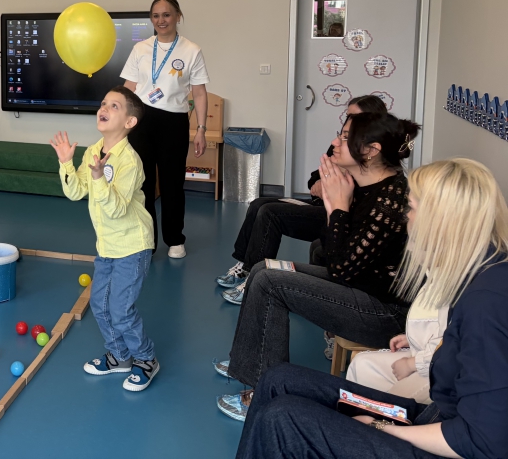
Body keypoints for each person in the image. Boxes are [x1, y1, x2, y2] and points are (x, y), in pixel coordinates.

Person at [235, 158, 508, 459]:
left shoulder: (486, 304)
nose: (406, 218)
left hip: (440, 442)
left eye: (411, 208)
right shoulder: (478, 273)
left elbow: (480, 442)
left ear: (439, 221)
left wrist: (381, 427)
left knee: (282, 418)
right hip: (430, 418)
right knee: (279, 380)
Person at [215, 112, 420, 420]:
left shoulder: (388, 202)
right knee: (264, 269)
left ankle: (263, 394)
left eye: (346, 137)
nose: (336, 141)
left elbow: (340, 270)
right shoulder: (365, 186)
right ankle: (248, 364)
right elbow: (328, 250)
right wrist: (335, 204)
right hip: (360, 287)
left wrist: (337, 207)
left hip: (385, 313)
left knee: (270, 282)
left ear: (371, 150)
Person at [217, 95, 389, 304]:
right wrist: (321, 182)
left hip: (334, 213)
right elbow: (314, 179)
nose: (348, 122)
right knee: (258, 204)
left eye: (355, 118)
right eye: (348, 116)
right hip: (318, 203)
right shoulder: (340, 146)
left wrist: (336, 186)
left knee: (270, 213)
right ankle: (245, 266)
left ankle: (253, 280)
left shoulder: (373, 162)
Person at [51, 86, 159, 391]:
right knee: (99, 304)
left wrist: (99, 177)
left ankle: (146, 359)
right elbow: (75, 192)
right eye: (103, 103)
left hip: (133, 245)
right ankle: (119, 356)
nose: (104, 108)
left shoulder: (130, 161)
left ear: (129, 122)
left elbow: (117, 209)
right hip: (107, 246)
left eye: (114, 106)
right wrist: (65, 163)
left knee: (121, 310)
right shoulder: (92, 152)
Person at [122, 0, 210, 258]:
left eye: (167, 14)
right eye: (156, 15)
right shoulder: (141, 48)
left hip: (174, 122)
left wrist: (201, 129)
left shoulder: (191, 50)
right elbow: (129, 87)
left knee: (172, 184)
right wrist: (118, 120)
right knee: (143, 184)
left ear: (178, 16)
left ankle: (175, 240)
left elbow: (200, 93)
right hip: (141, 121)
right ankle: (146, 240)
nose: (161, 20)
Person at [345, 281, 447, 404]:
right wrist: (414, 337)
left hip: (440, 370)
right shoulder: (438, 276)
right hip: (427, 354)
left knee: (390, 403)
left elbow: (450, 348)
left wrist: (411, 364)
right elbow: (437, 327)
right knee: (361, 364)